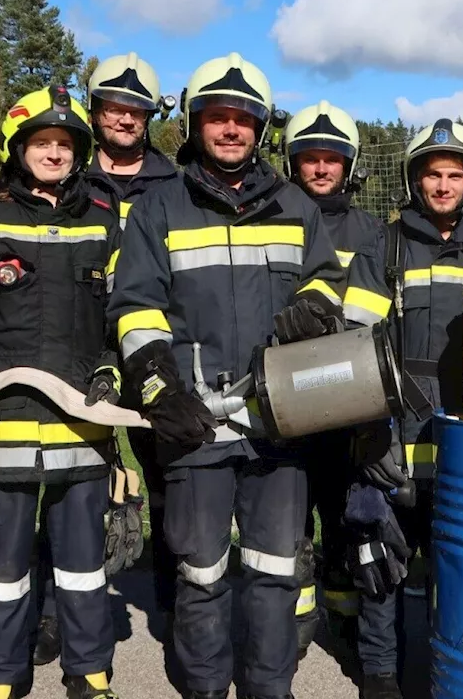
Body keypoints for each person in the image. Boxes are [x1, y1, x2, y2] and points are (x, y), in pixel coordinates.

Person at [107, 52, 347, 699]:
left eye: (244, 118)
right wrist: (158, 388)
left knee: (274, 572)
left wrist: (314, 307)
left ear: (261, 128)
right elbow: (134, 307)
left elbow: (329, 279)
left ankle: (270, 687)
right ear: (195, 124)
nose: (231, 129)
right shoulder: (159, 209)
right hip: (194, 423)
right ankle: (207, 688)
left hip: (277, 420)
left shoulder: (295, 205)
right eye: (218, 117)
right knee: (201, 571)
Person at [0, 85, 123, 699]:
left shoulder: (104, 226)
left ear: (80, 152)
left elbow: (126, 313)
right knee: (2, 571)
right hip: (0, 430)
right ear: (19, 149)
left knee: (85, 571)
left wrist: (114, 369)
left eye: (65, 144)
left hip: (83, 430)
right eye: (43, 143)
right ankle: (2, 677)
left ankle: (90, 673)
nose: (55, 153)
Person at [339, 118, 463, 699]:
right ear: (415, 180)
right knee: (380, 562)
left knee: (460, 570)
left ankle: (451, 667)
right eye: (433, 174)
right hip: (394, 436)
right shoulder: (385, 245)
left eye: (455, 174)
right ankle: (380, 675)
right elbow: (355, 347)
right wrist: (369, 435)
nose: (443, 185)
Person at [33, 51, 179, 668]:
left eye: (136, 109)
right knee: (63, 485)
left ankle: (176, 604)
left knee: (174, 480)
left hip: (152, 353)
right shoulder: (67, 178)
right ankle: (52, 614)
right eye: (113, 107)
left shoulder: (176, 185)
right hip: (81, 351)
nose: (124, 118)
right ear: (95, 112)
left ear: (150, 117)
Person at [279, 99, 382, 662]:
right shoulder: (270, 218)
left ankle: (344, 614)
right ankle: (294, 620)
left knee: (345, 514)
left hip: (347, 395)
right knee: (290, 516)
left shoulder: (370, 231)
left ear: (350, 164)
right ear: (291, 162)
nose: (320, 169)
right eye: (309, 158)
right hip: (285, 397)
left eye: (332, 158)